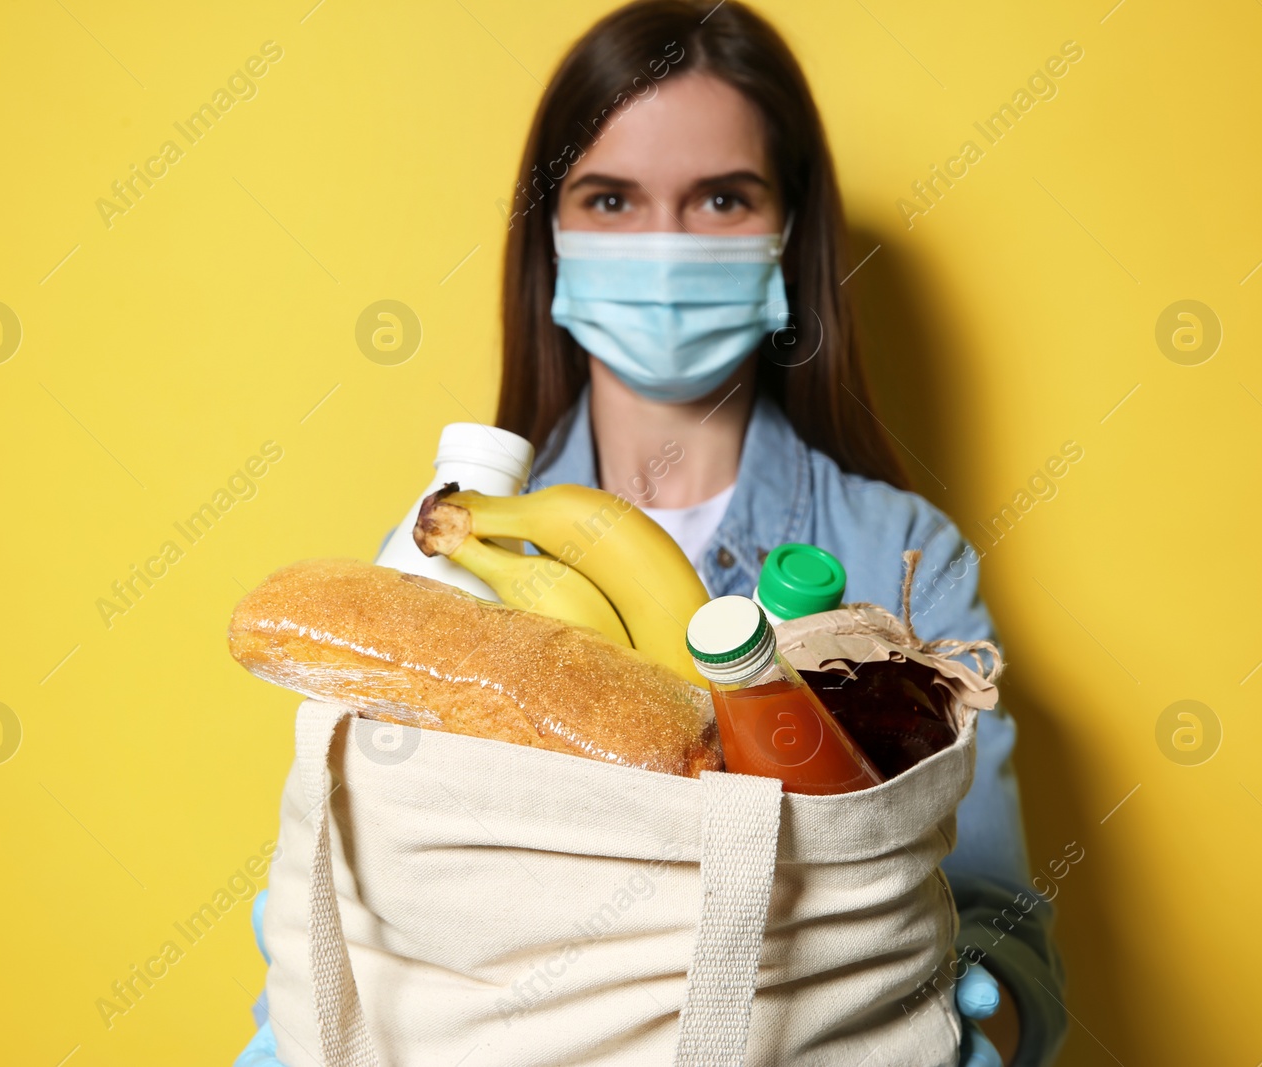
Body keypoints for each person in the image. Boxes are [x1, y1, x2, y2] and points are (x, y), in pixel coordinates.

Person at [238, 3, 1064, 1064]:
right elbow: (346, 896)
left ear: (788, 233)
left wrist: (956, 1023)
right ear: (549, 235)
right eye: (611, 198)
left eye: (721, 197)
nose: (664, 245)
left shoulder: (902, 553)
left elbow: (1000, 922)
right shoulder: (443, 562)